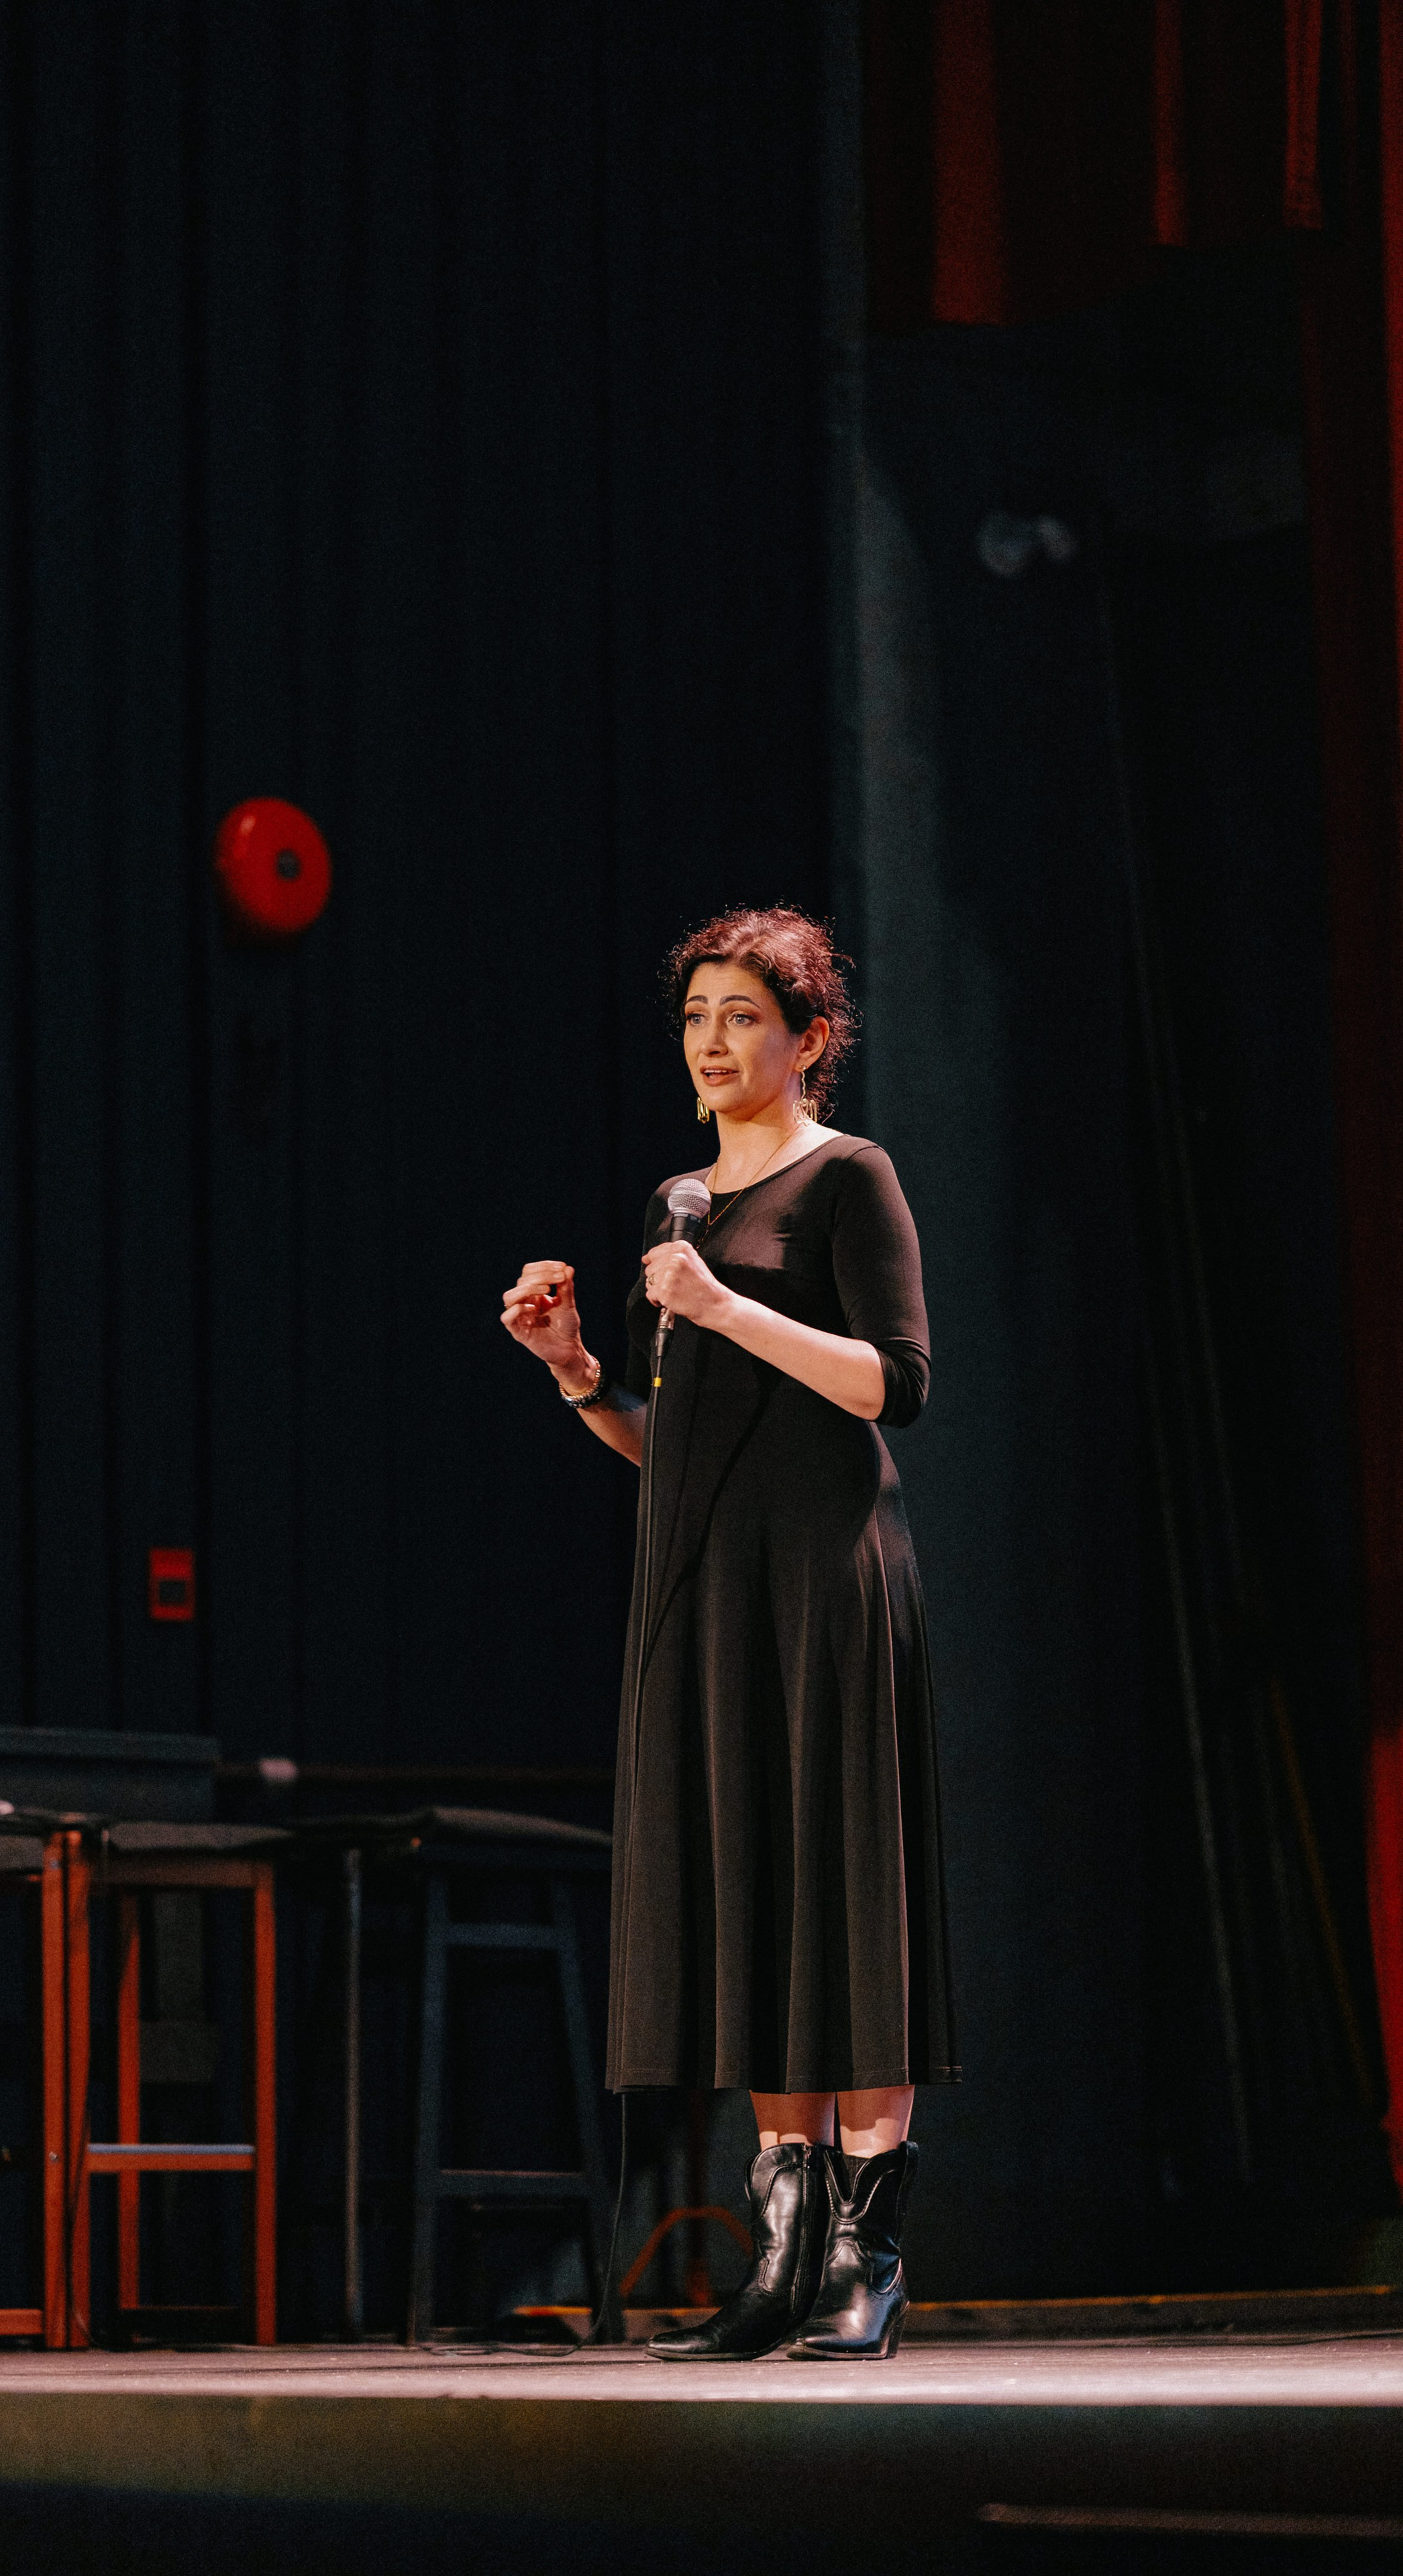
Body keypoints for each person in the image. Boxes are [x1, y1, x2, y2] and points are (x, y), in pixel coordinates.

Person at [501, 906, 956, 2361]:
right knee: (756, 1897)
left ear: (807, 1040)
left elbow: (895, 1385)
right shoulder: (676, 1202)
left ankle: (861, 2260)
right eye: (696, 1014)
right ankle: (779, 2259)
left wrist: (718, 1308)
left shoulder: (846, 1181)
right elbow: (680, 1444)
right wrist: (577, 1373)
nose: (711, 1040)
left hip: (825, 1581)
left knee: (845, 1887)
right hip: (711, 1591)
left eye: (742, 1015)